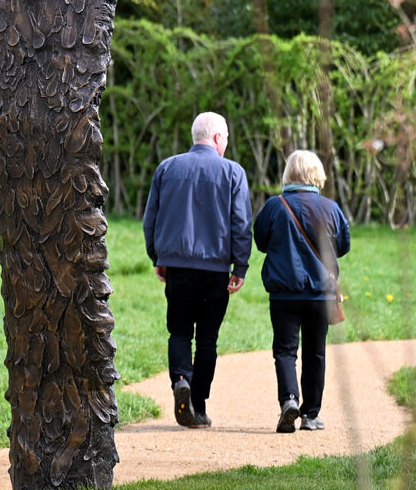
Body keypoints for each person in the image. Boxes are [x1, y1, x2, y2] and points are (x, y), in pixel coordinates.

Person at [142, 111, 252, 428]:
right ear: (217, 137)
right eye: (226, 138)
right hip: (216, 268)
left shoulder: (167, 168)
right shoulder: (233, 173)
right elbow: (241, 225)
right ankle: (199, 406)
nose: (227, 144)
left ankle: (181, 380)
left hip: (176, 265)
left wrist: (157, 257)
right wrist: (240, 265)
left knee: (178, 331)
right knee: (207, 339)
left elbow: (151, 218)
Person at [253, 149, 351, 433]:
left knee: (285, 350)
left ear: (289, 174)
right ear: (316, 174)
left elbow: (260, 241)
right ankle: (310, 415)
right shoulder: (331, 208)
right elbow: (343, 246)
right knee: (315, 352)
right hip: (320, 294)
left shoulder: (274, 206)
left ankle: (289, 400)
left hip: (284, 292)